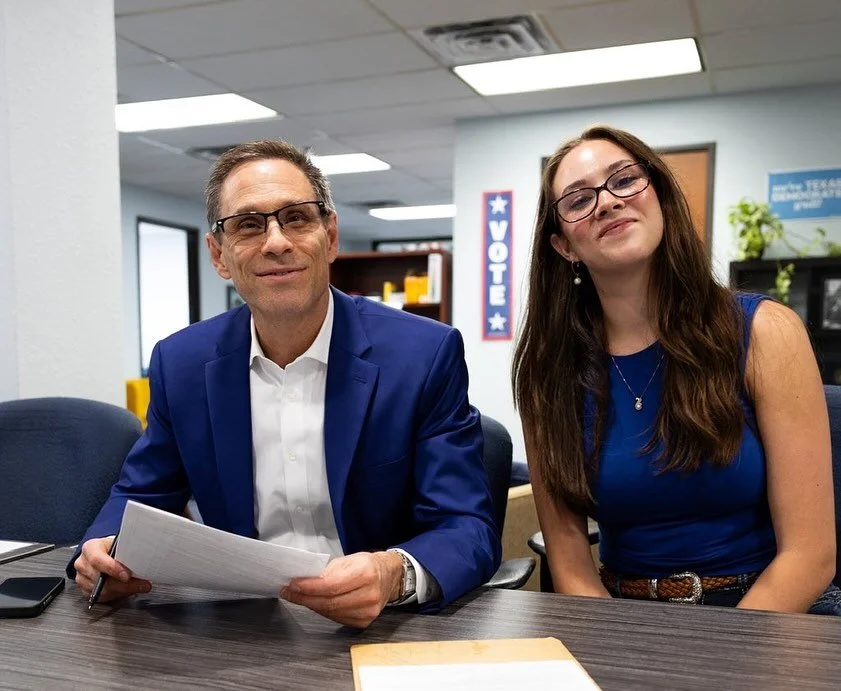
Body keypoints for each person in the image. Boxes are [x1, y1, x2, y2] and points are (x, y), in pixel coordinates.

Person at [71, 139, 500, 628]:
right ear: (219, 255)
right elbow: (139, 496)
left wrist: (392, 573)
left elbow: (467, 527)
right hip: (242, 625)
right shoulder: (181, 362)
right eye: (249, 225)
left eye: (297, 217)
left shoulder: (422, 355)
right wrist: (101, 554)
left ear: (331, 237)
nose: (276, 242)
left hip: (386, 626)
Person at [512, 124, 839, 614]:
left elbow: (810, 556)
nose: (606, 201)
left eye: (624, 180)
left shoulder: (767, 332)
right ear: (565, 248)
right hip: (623, 616)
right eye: (578, 200)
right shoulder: (549, 372)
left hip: (770, 611)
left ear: (659, 196)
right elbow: (571, 565)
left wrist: (717, 660)